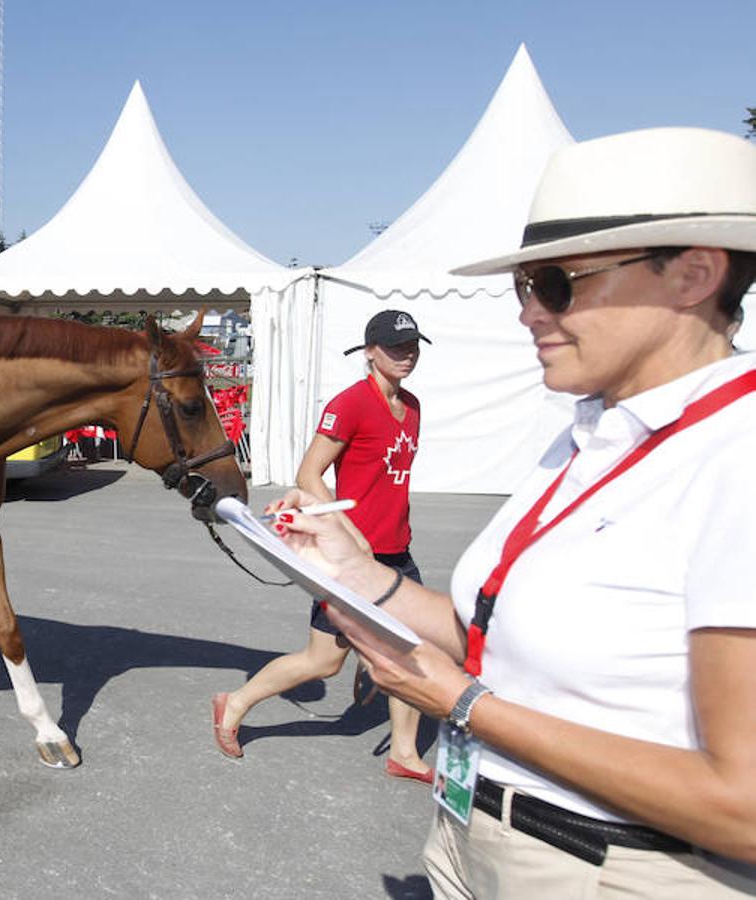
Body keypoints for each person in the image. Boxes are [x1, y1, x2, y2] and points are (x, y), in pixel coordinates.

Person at [270, 127, 756, 896]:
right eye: (522, 286)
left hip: (604, 868)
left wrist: (462, 704)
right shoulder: (589, 431)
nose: (528, 312)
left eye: (557, 284)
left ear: (693, 274)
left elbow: (745, 808)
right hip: (474, 838)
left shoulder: (739, 455)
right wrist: (361, 574)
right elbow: (498, 635)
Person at [212, 309, 434, 783]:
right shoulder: (350, 404)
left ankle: (404, 752)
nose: (407, 354)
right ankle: (236, 702)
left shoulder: (412, 406)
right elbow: (308, 474)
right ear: (371, 352)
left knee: (412, 650)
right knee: (324, 662)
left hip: (396, 551)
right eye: (396, 347)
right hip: (348, 557)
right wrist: (347, 530)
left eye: (412, 345)